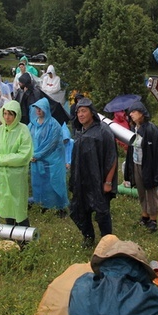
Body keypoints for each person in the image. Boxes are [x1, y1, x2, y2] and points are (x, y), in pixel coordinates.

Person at [69, 98, 117, 248]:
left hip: (98, 181)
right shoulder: (79, 131)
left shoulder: (103, 131)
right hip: (81, 180)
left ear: (92, 112)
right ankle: (88, 237)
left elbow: (112, 157)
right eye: (78, 111)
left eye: (84, 111)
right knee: (79, 210)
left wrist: (108, 182)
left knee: (102, 212)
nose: (80, 114)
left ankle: (107, 241)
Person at [0, 100, 33, 226]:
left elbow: (24, 155)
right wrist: (5, 160)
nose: (7, 117)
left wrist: (1, 160)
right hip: (0, 177)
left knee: (19, 210)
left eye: (11, 114)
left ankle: (24, 240)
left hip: (16, 177)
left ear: (17, 115)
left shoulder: (23, 130)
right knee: (6, 209)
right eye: (5, 113)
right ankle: (10, 238)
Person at [124, 101, 158, 233]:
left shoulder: (151, 130)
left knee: (151, 192)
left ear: (142, 113)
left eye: (134, 112)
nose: (131, 114)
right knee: (141, 191)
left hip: (148, 166)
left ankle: (153, 220)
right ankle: (145, 215)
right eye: (130, 112)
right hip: (137, 163)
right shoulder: (133, 128)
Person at [29, 98, 69, 214]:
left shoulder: (54, 125)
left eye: (40, 108)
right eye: (36, 108)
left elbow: (51, 144)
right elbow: (27, 139)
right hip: (37, 161)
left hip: (52, 161)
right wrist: (30, 154)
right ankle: (43, 205)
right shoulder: (32, 124)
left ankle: (60, 208)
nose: (38, 111)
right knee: (40, 183)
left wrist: (37, 155)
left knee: (54, 184)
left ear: (46, 109)